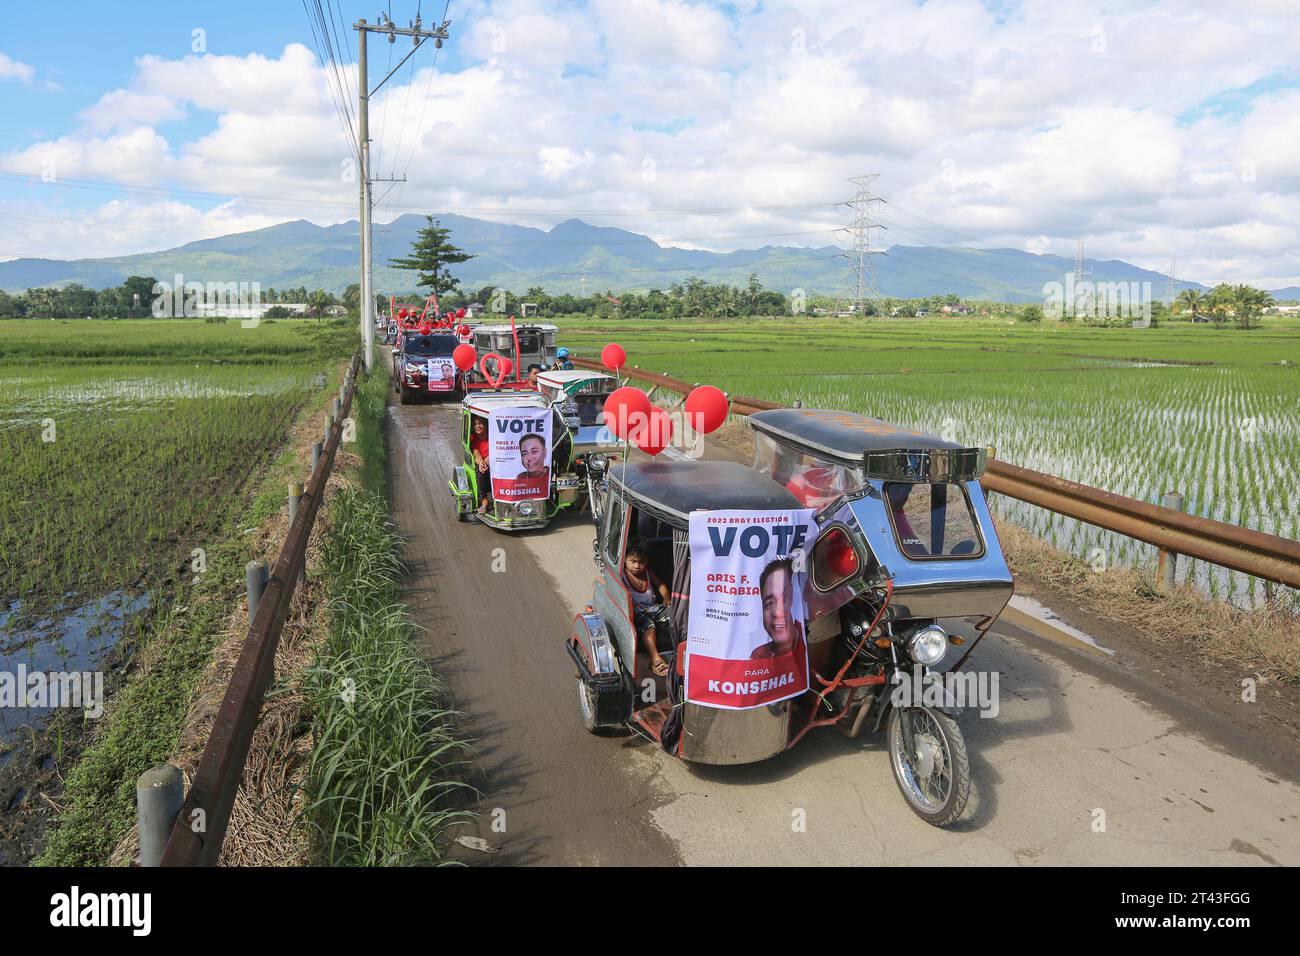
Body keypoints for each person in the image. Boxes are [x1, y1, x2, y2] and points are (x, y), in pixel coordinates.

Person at [623, 536, 673, 677]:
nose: (637, 566)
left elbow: (661, 585)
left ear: (647, 562)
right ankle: (655, 659)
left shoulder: (648, 573)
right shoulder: (623, 576)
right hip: (637, 613)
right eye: (633, 561)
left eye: (641, 562)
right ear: (625, 560)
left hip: (653, 608)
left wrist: (666, 598)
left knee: (675, 614)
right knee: (648, 625)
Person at [750, 558, 805, 659]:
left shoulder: (808, 643)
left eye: (785, 599)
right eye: (770, 603)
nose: (778, 613)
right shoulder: (758, 655)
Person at [470, 416, 492, 513]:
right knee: (480, 471)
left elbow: (496, 449)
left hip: (494, 459)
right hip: (479, 461)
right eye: (475, 424)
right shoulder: (472, 437)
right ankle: (484, 501)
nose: (478, 426)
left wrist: (487, 461)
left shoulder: (493, 435)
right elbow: (475, 451)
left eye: (480, 424)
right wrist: (481, 463)